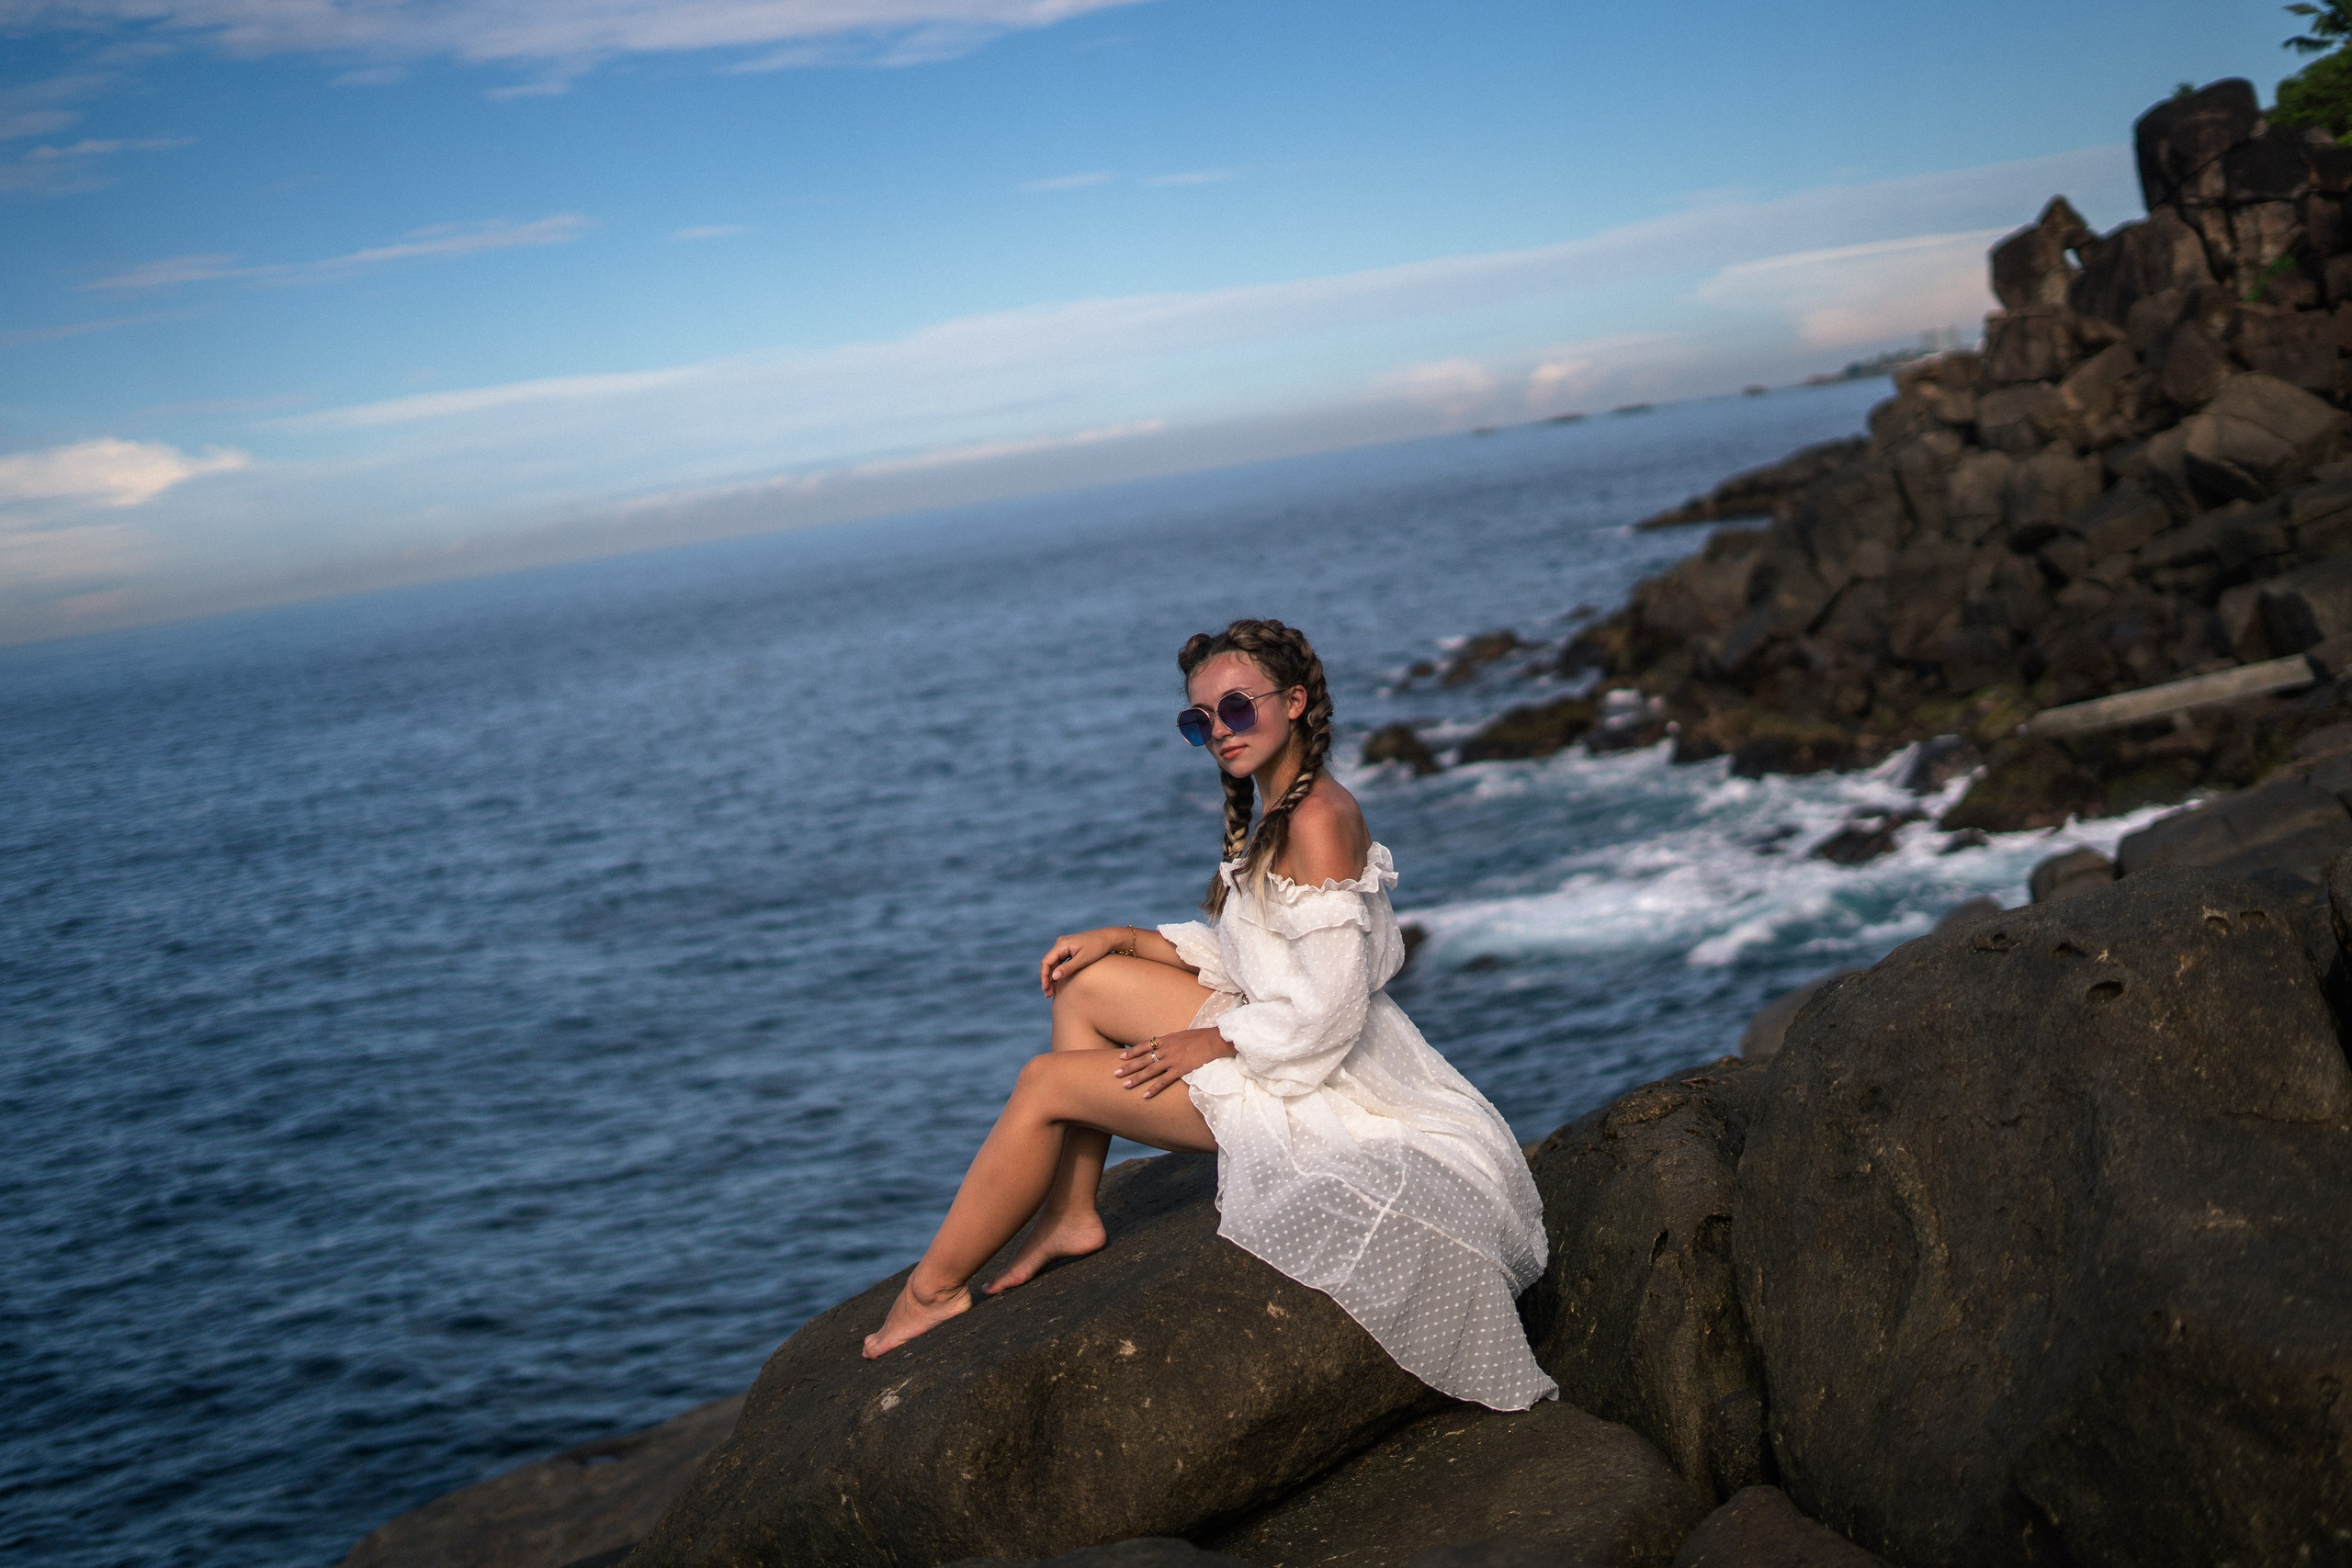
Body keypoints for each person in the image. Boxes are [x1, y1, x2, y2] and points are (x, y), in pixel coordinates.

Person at [861, 618, 1557, 1411]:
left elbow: (1326, 1014)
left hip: (1316, 1079)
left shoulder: (1316, 819)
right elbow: (1261, 958)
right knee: (1088, 984)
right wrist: (1126, 938)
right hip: (1280, 1030)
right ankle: (1070, 1210)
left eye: (1236, 709)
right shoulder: (1279, 804)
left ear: (1294, 702)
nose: (1219, 732)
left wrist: (1210, 1040)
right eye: (1201, 720)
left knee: (1044, 1084)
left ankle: (933, 1290)